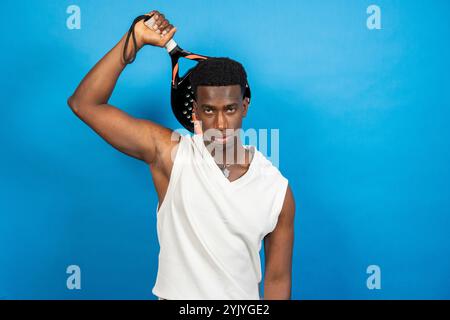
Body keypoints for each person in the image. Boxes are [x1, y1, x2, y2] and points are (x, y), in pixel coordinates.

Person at [67, 10, 295, 300]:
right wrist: (133, 40)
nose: (221, 124)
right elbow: (85, 104)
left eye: (230, 109)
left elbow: (277, 279)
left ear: (245, 106)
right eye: (209, 110)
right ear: (195, 111)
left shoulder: (277, 190)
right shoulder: (170, 155)